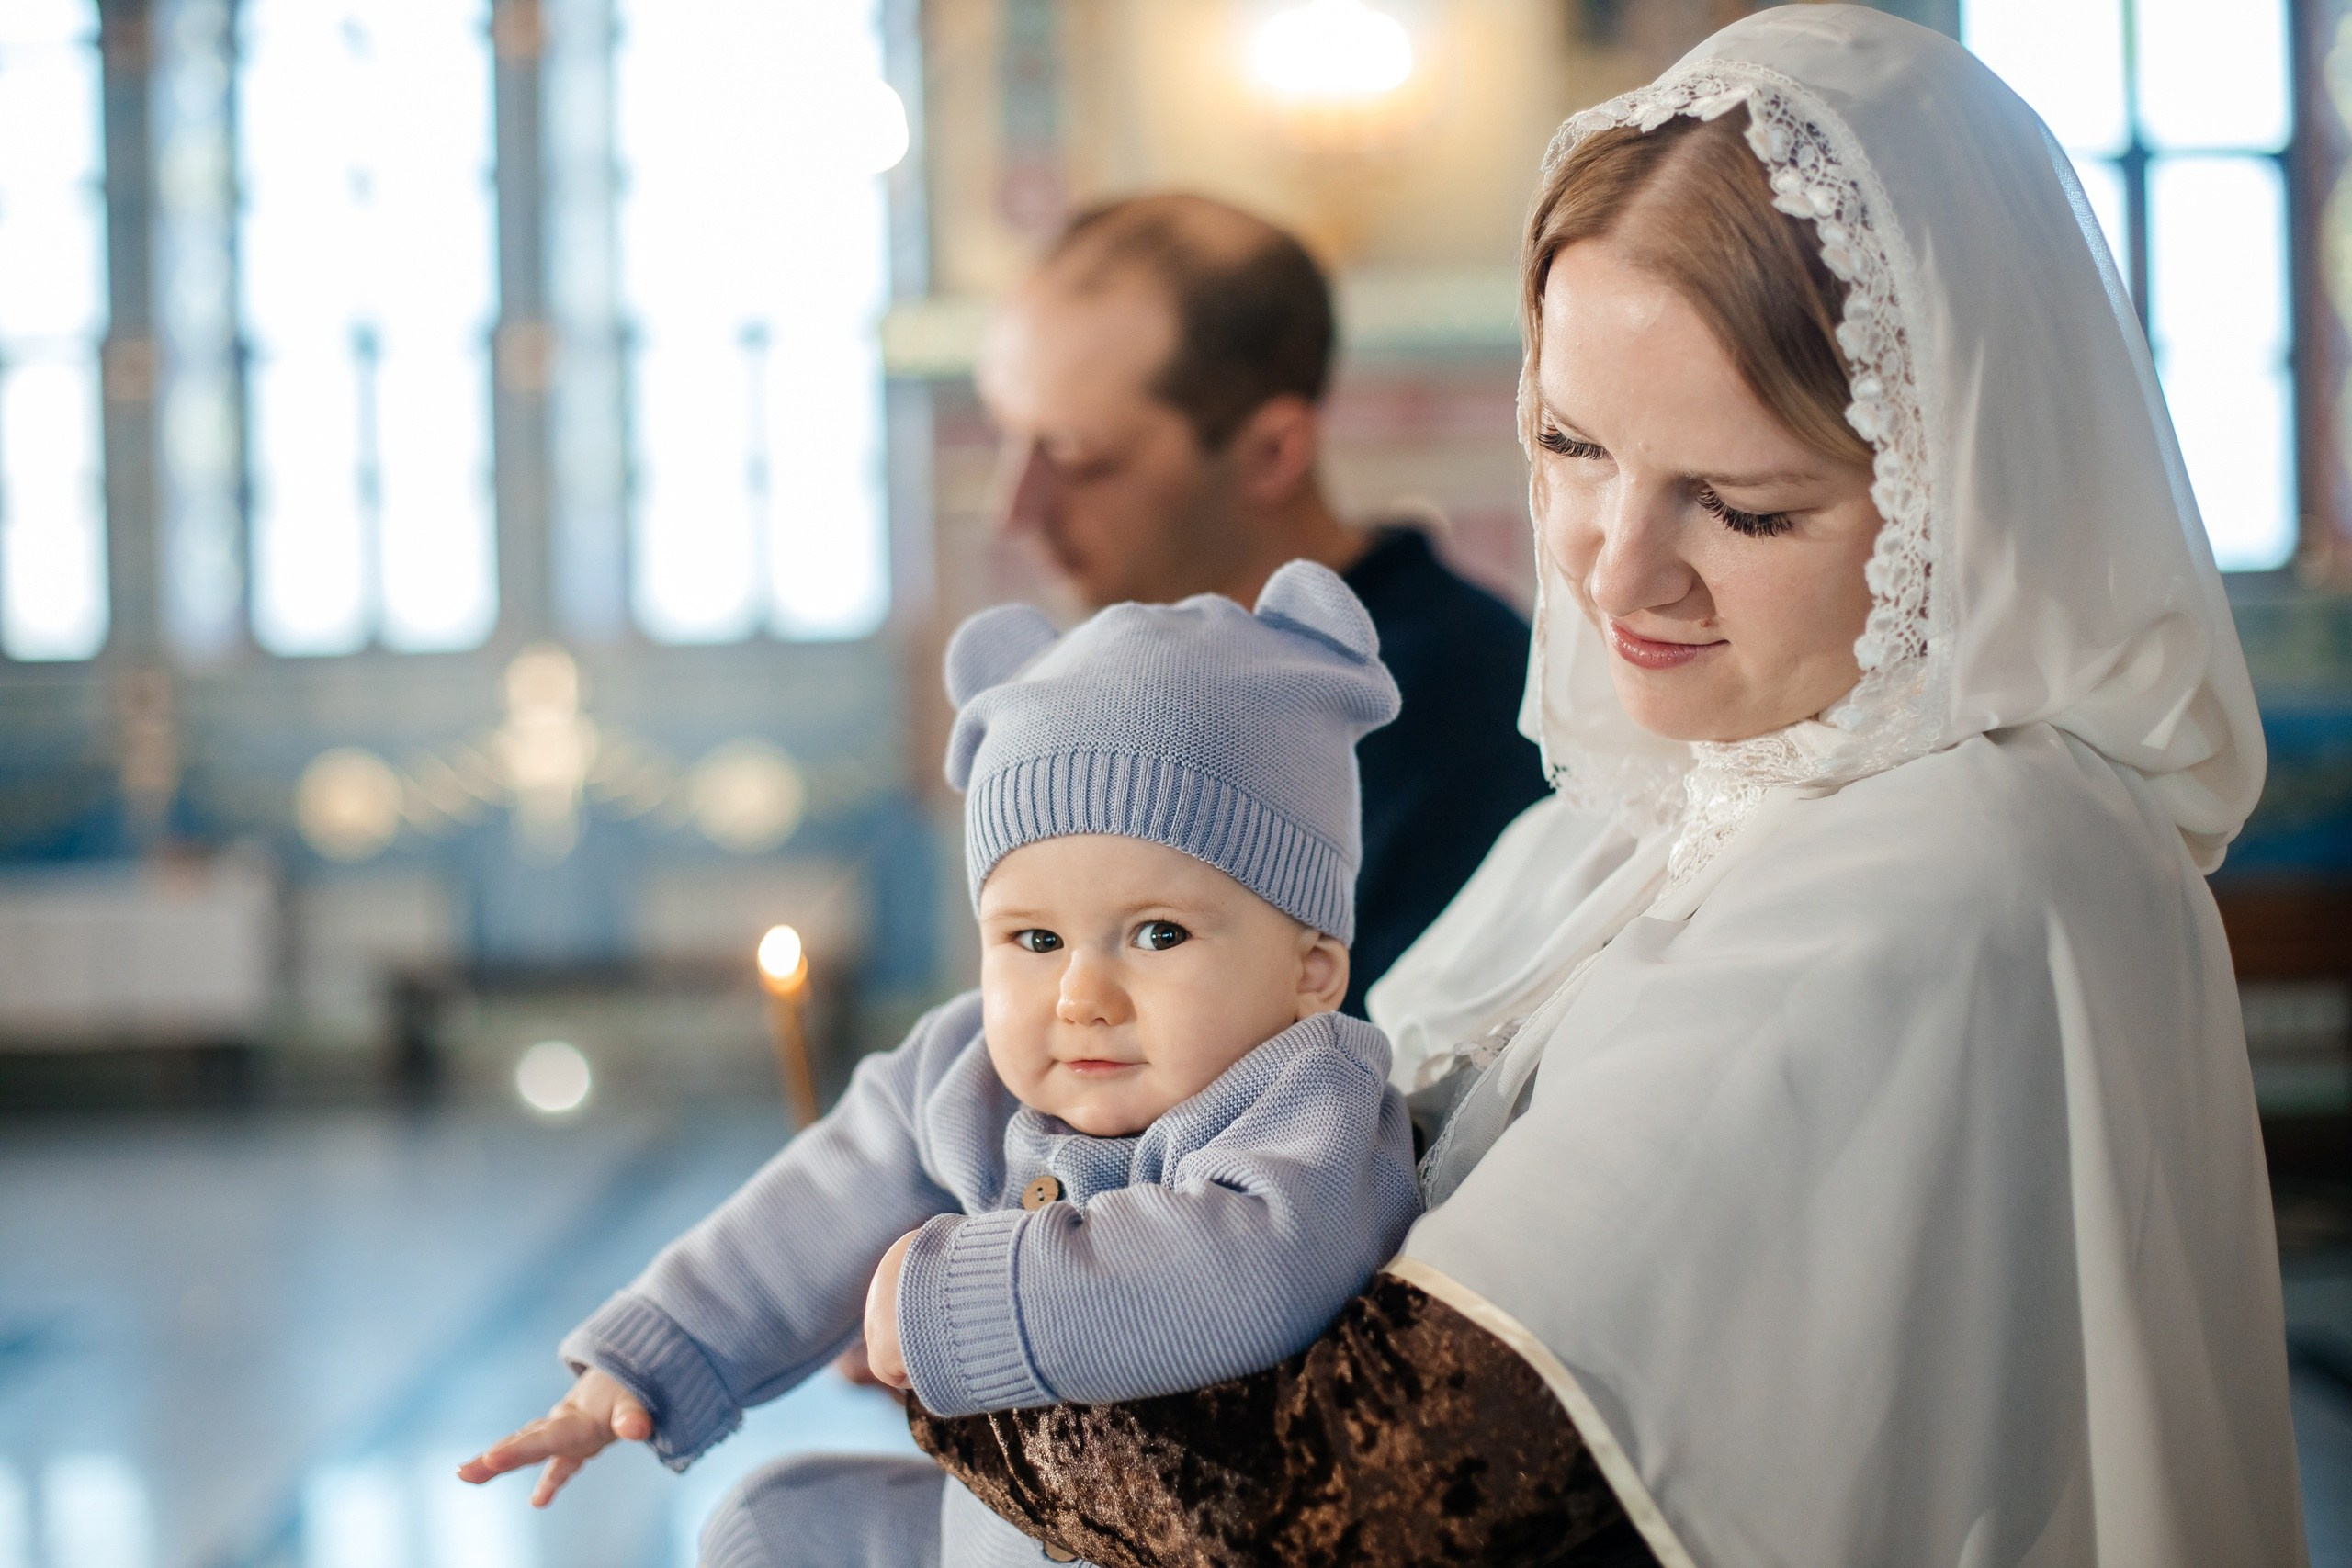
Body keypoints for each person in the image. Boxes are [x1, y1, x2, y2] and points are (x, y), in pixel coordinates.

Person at [908, 9, 2308, 1565]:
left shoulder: (1963, 857)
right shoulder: (1626, 819)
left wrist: (949, 1311)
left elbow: (1388, 1498)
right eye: (1572, 445)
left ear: (1955, 493)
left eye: (1745, 506)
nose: (1615, 568)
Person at [457, 563, 1422, 1568]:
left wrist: (953, 1302)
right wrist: (657, 1352)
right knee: (769, 1526)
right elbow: (817, 1202)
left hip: (1182, 1542)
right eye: (1034, 941)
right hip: (998, 1532)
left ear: (1312, 969)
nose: (1081, 996)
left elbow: (1251, 1267)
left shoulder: (1312, 1095)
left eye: (1158, 933)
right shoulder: (969, 1070)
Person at [979, 192, 1547, 1012]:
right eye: (1010, 433)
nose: (1013, 508)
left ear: (1273, 451)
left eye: (1074, 454)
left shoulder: (1450, 705)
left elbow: (1377, 1103)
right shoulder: (1108, 681)